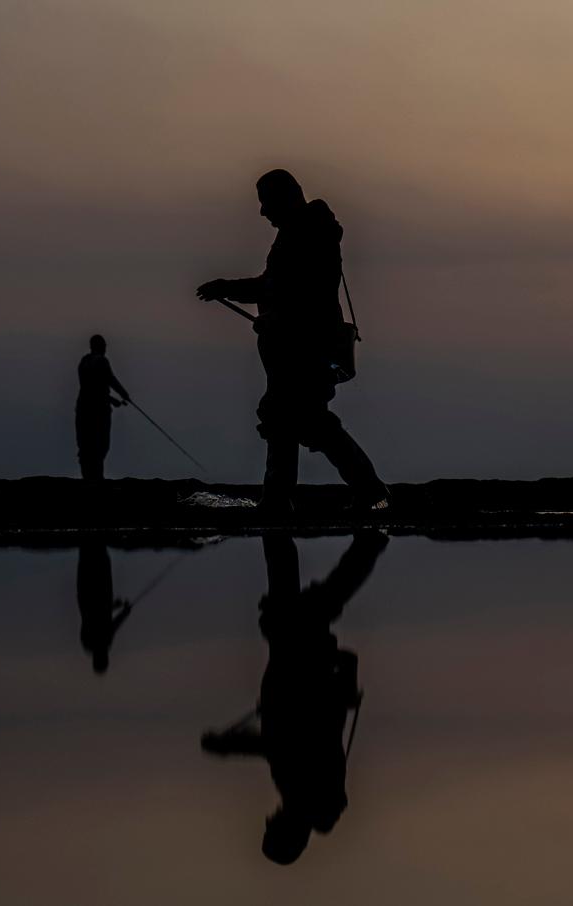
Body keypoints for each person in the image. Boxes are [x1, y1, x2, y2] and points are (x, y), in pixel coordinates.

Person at [195, 169, 389, 515]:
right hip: (299, 349)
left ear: (286, 197)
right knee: (293, 419)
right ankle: (287, 498)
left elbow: (282, 288)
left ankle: (359, 492)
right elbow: (278, 287)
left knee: (296, 419)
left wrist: (228, 288)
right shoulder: (304, 232)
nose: (262, 212)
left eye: (266, 203)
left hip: (304, 350)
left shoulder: (304, 234)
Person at [201, 530, 389, 865]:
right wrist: (229, 747)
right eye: (272, 827)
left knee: (311, 586)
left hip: (295, 659)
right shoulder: (303, 794)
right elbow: (282, 746)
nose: (268, 818)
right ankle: (371, 530)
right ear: (286, 830)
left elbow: (279, 745)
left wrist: (235, 745)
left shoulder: (305, 796)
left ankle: (369, 533)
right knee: (310, 586)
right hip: (299, 657)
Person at [75, 334, 130, 481]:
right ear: (100, 347)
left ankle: (88, 476)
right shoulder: (101, 362)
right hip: (99, 411)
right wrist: (124, 394)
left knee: (86, 444)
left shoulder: (84, 362)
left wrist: (113, 400)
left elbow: (90, 389)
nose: (105, 349)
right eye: (104, 346)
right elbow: (109, 380)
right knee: (100, 444)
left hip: (83, 408)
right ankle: (96, 477)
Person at [76, 541, 133, 674]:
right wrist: (119, 609)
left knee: (94, 558)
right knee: (90, 558)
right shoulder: (91, 643)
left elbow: (98, 616)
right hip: (87, 593)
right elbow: (101, 617)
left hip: (94, 594)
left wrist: (122, 610)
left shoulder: (99, 642)